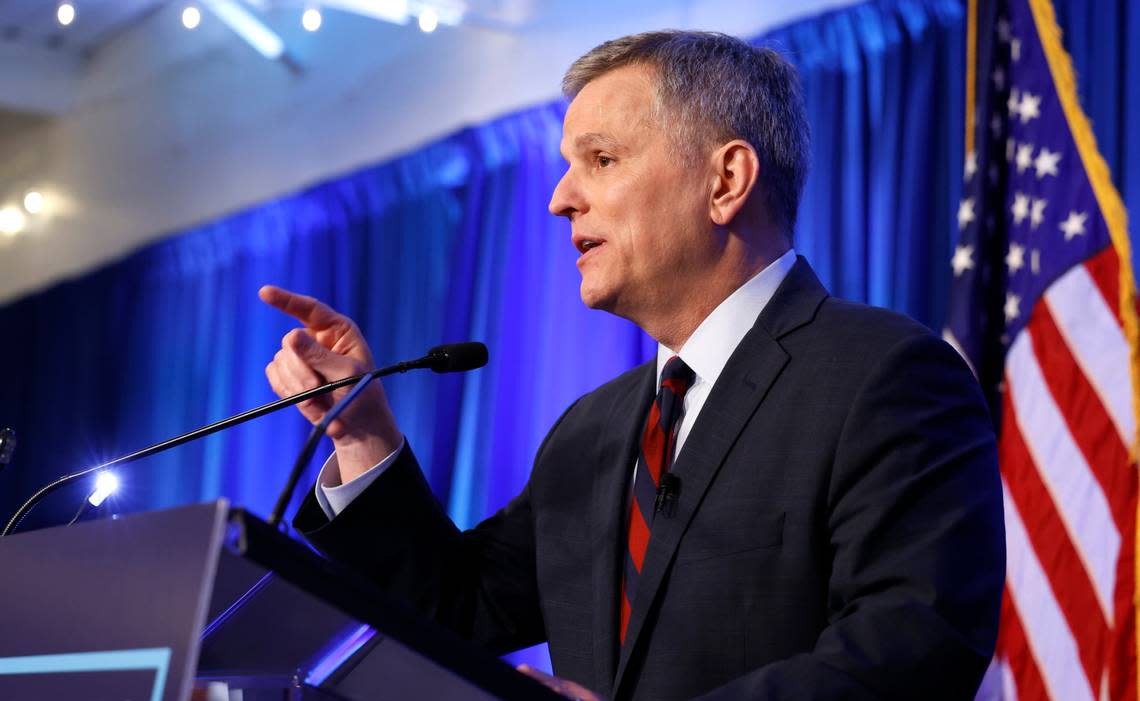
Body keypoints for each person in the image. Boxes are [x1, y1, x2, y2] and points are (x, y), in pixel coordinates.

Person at [260, 31, 1004, 701]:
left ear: (725, 181)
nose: (559, 200)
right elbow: (455, 609)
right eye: (567, 166)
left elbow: (911, 654)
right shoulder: (593, 430)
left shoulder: (886, 377)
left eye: (602, 160)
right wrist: (359, 433)